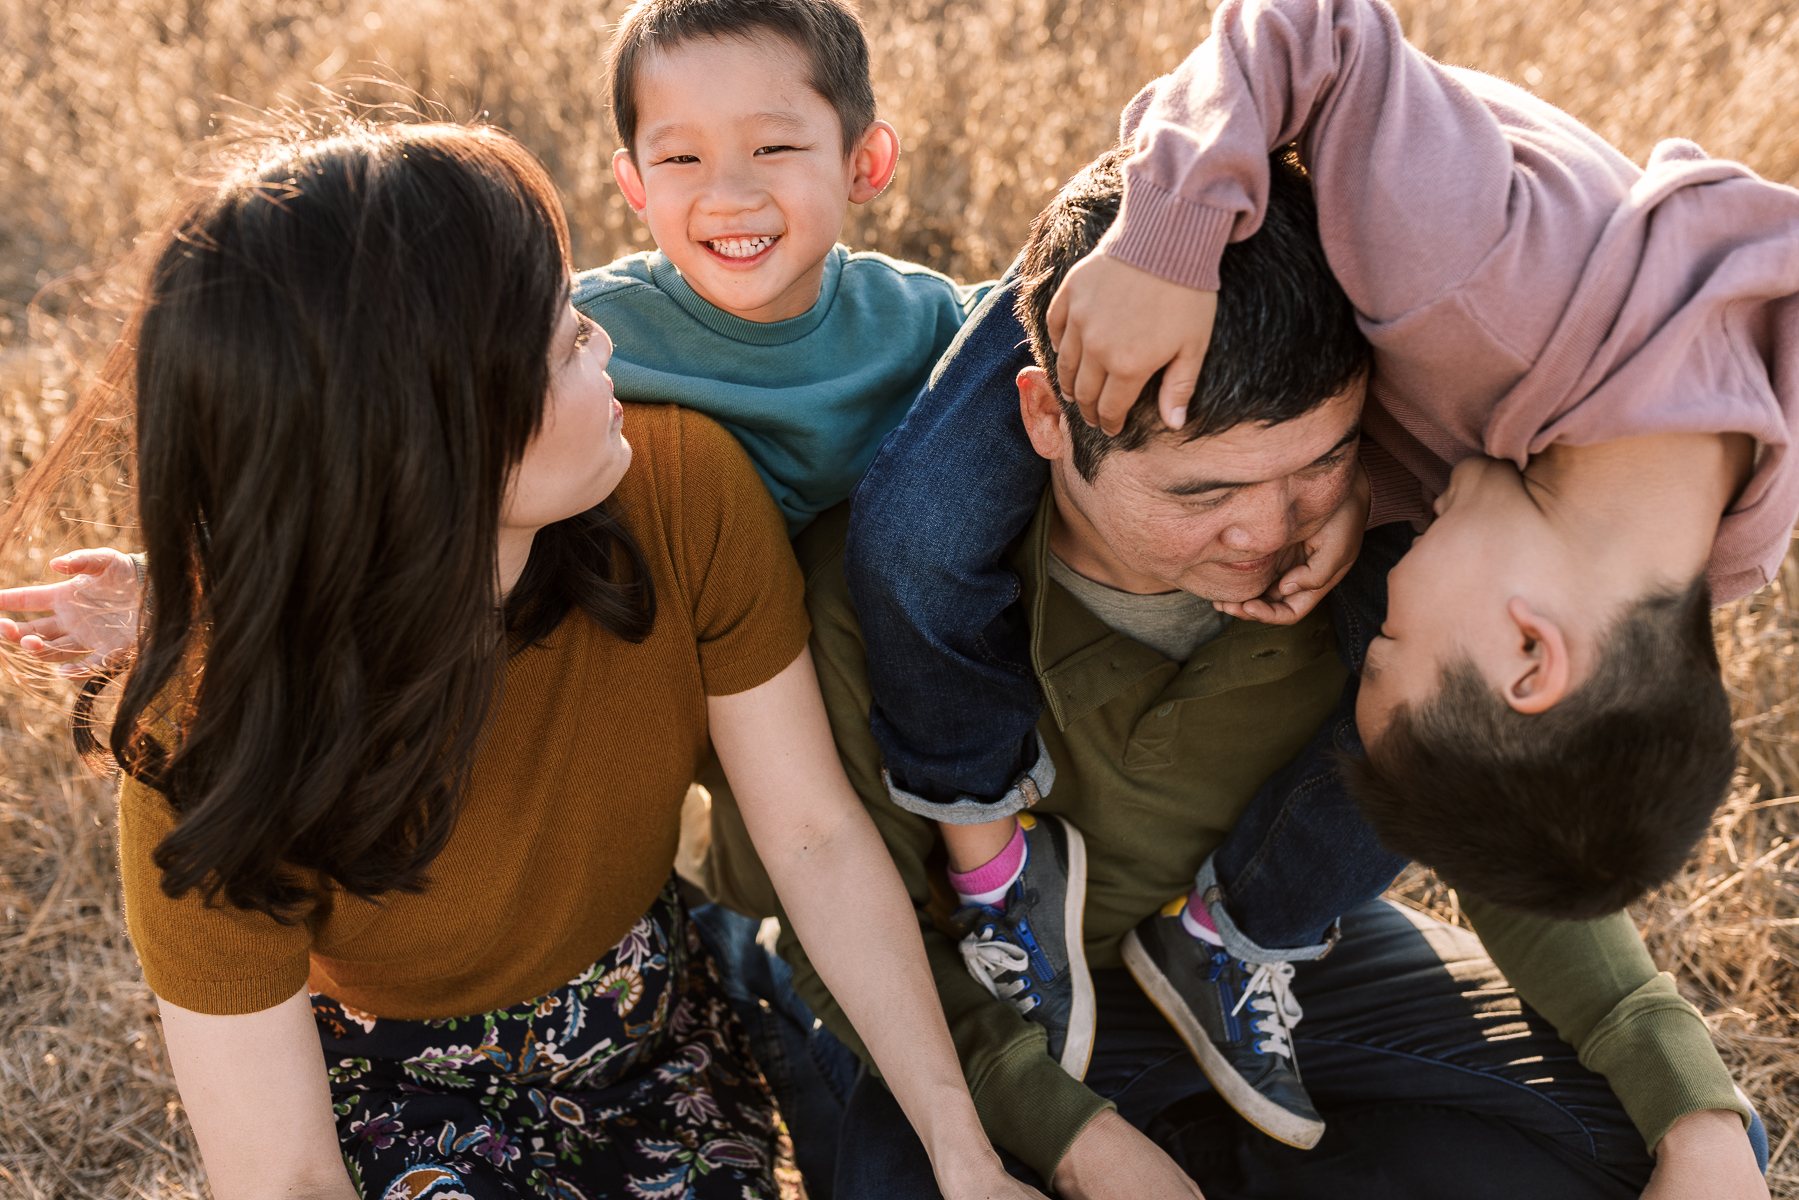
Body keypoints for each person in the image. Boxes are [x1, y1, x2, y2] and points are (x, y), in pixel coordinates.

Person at [0, 120, 1041, 1200]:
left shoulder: (684, 489)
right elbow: (287, 1178)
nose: (605, 347)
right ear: (431, 450)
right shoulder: (208, 743)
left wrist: (958, 1147)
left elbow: (816, 836)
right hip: (384, 1081)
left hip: (642, 1022)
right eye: (561, 342)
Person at [772, 148, 1768, 1199]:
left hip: (1263, 969)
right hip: (964, 1012)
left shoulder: (1407, 561)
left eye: (1319, 463)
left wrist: (1693, 1112)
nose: (1267, 534)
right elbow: (823, 909)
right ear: (1046, 419)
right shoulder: (881, 580)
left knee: (1620, 1144)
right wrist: (1076, 1141)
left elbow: (1498, 788)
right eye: (1201, 493)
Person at [1042, 0, 1798, 913]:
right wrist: (1166, 246)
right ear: (1528, 653)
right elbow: (1310, 25)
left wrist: (1365, 489)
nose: (1384, 612)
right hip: (1178, 215)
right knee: (923, 524)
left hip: (1304, 366)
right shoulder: (1473, 277)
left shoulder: (1709, 541)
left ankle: (1247, 926)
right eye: (1393, 643)